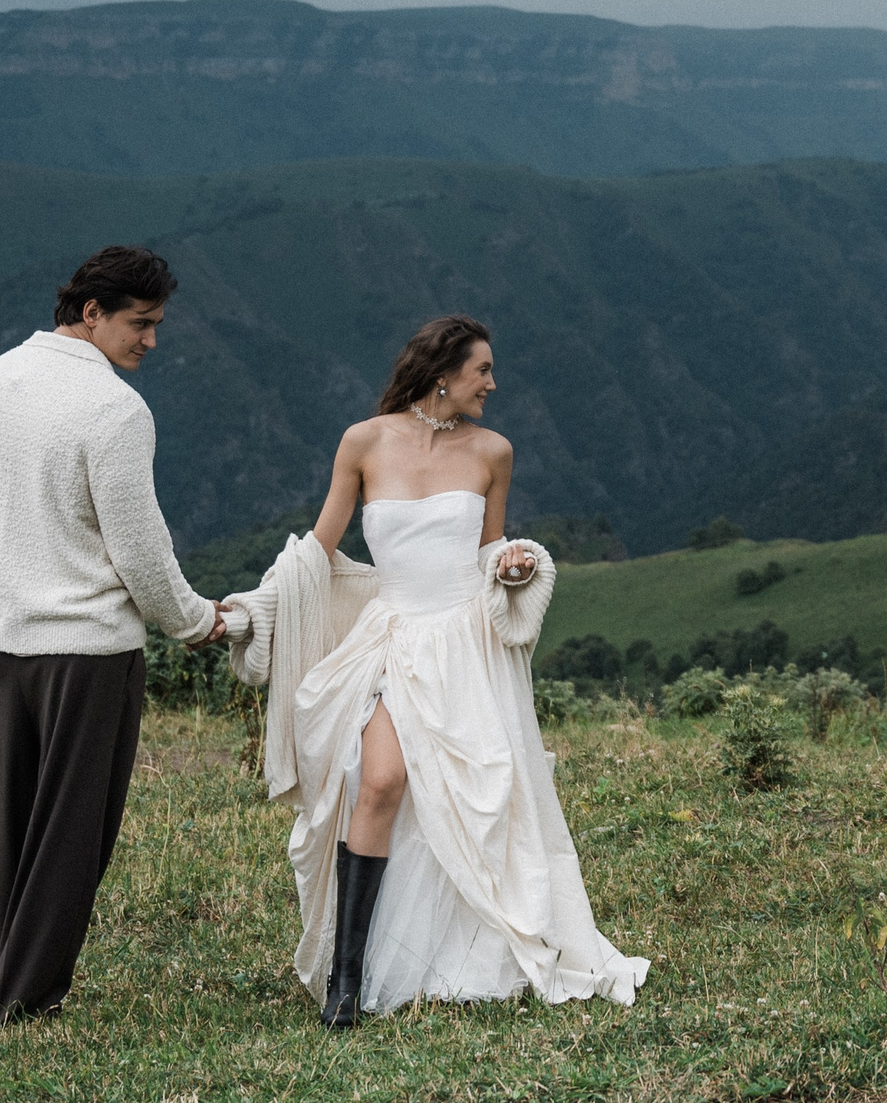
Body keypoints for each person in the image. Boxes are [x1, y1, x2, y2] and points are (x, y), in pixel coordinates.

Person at [224, 314, 646, 1026]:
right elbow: (316, 552)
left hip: (465, 645)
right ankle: (346, 979)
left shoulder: (492, 451)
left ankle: (455, 954)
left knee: (474, 798)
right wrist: (250, 612)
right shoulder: (363, 442)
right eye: (483, 370)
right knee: (381, 780)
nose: (492, 384)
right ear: (443, 374)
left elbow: (488, 548)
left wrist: (511, 565)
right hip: (391, 638)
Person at [0, 245, 225, 1028]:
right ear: (92, 311)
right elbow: (139, 549)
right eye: (141, 323)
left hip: (7, 644)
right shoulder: (114, 409)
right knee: (71, 831)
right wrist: (193, 620)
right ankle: (29, 996)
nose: (151, 340)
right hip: (90, 653)